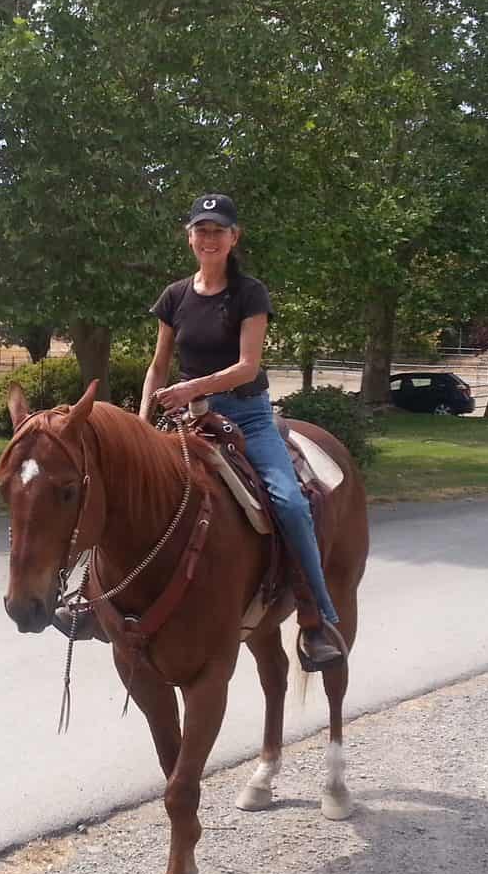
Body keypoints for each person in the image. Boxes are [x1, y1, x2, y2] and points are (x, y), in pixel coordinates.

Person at [137, 193, 348, 670]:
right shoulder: (174, 296)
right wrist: (142, 420)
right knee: (129, 487)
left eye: (218, 230)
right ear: (189, 236)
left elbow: (246, 366)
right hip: (188, 417)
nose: (209, 238)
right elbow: (157, 366)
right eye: (201, 230)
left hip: (248, 416)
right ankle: (93, 600)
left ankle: (315, 619)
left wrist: (192, 385)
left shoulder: (249, 293)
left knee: (291, 503)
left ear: (234, 238)